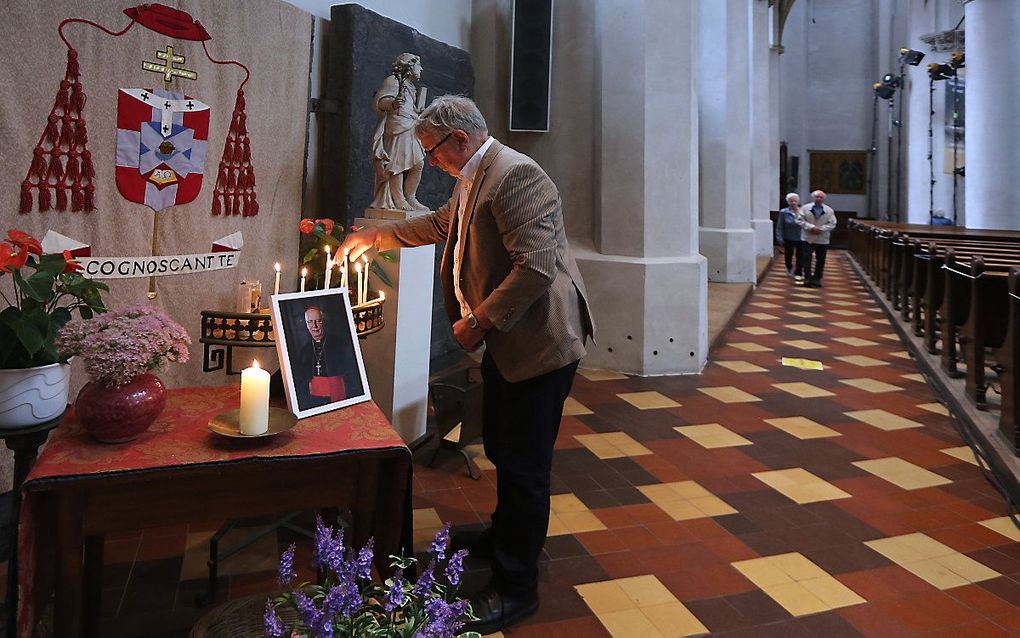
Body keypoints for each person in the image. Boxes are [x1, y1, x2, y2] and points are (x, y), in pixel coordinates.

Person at [342, 95, 595, 634]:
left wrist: (478, 321)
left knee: (525, 467)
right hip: (510, 343)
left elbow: (537, 268)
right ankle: (504, 537)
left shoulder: (516, 176)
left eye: (431, 150)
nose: (429, 161)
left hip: (539, 344)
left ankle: (516, 586)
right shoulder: (474, 173)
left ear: (458, 139)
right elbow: (441, 225)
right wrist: (377, 236)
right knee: (504, 445)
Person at [369, 53, 429, 212]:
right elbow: (380, 102)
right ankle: (399, 199)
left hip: (410, 126)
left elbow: (410, 107)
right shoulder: (393, 81)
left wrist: (419, 111)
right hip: (397, 127)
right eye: (419, 66)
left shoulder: (411, 86)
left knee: (418, 164)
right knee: (398, 164)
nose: (421, 69)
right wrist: (393, 103)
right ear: (410, 66)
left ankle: (411, 197)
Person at [292, 304, 364, 411]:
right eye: (310, 322)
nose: (314, 326)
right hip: (314, 399)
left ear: (323, 321)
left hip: (337, 393)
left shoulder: (340, 344)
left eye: (318, 321)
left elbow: (351, 373)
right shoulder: (305, 350)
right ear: (306, 325)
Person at [796, 189, 837, 288]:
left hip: (822, 238)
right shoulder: (805, 208)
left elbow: (832, 223)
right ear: (813, 197)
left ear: (823, 199)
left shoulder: (829, 210)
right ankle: (807, 278)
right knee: (806, 258)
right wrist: (811, 227)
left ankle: (817, 279)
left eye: (821, 197)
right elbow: (799, 220)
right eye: (817, 197)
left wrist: (821, 229)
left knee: (821, 259)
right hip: (808, 237)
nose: (818, 198)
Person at [775, 192, 805, 280]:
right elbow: (780, 226)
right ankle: (789, 267)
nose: (793, 203)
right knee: (788, 255)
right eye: (791, 201)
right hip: (788, 237)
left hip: (801, 237)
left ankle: (798, 271)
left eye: (795, 201)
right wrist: (779, 237)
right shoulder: (784, 212)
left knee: (801, 255)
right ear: (788, 202)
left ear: (798, 201)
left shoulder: (802, 211)